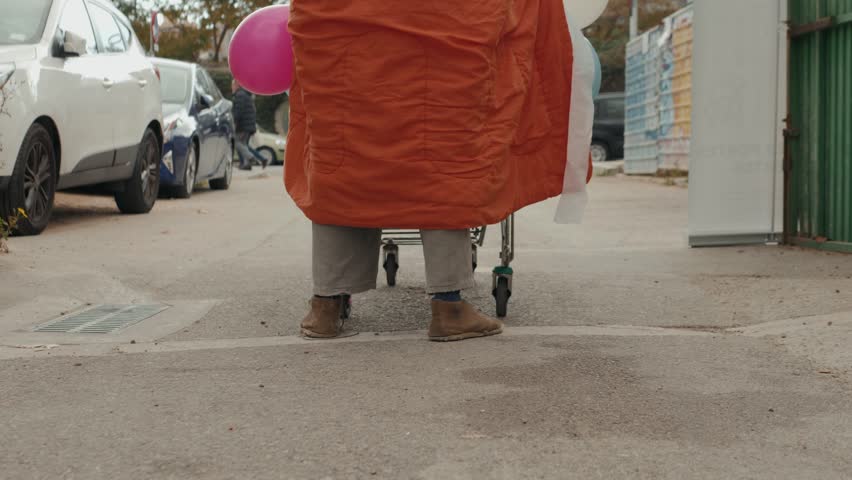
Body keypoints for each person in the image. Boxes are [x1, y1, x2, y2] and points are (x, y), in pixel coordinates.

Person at [285, 0, 594, 341]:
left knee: (342, 161)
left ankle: (324, 306)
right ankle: (449, 307)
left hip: (338, 31)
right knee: (445, 161)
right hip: (446, 23)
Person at [231, 80, 268, 171]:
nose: (231, 87)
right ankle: (253, 162)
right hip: (248, 125)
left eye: (232, 85)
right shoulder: (245, 95)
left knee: (238, 143)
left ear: (237, 85)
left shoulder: (240, 95)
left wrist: (234, 123)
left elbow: (238, 112)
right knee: (244, 146)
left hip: (243, 126)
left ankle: (250, 159)